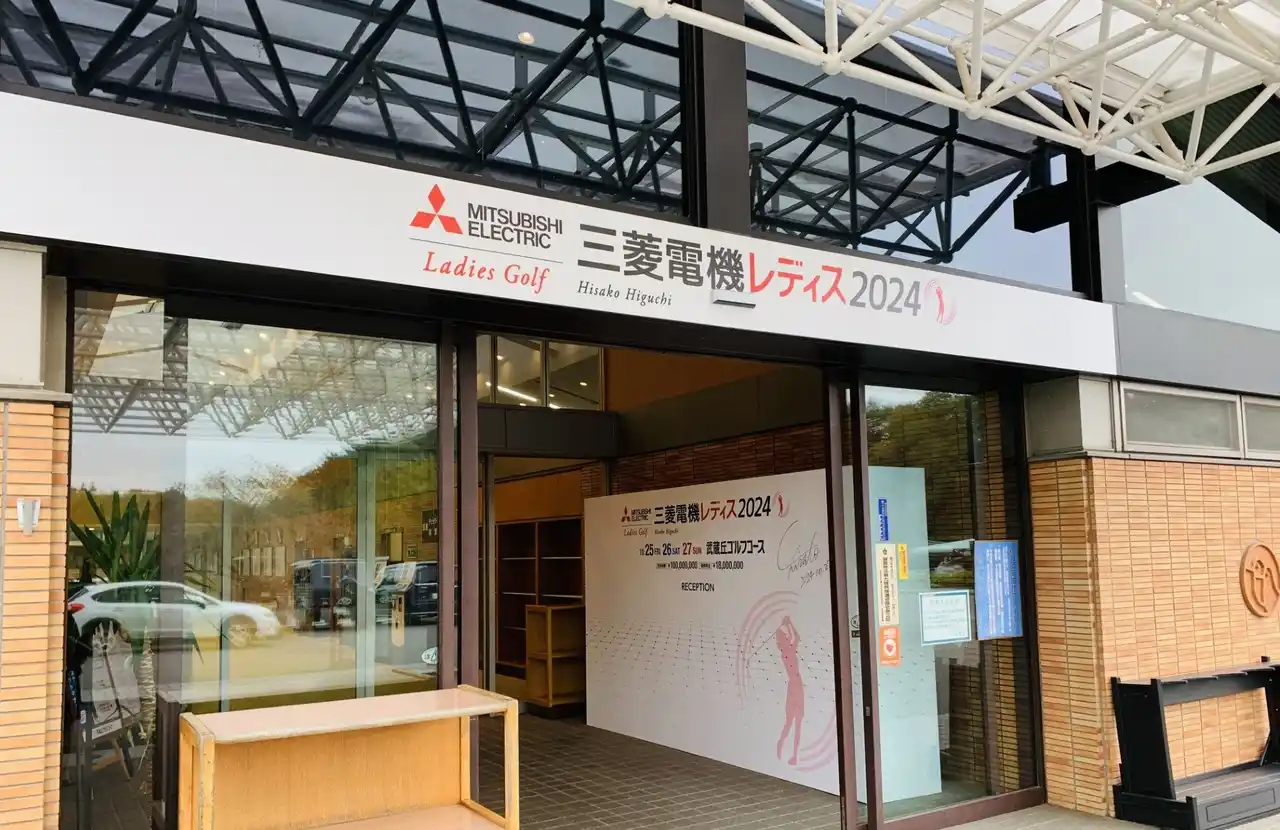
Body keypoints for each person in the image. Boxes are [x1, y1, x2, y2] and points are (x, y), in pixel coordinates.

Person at [775, 615, 804, 765]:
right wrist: (789, 623)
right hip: (796, 686)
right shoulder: (788, 651)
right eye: (785, 637)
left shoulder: (786, 651)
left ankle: (789, 751)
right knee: (795, 721)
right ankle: (790, 752)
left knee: (792, 721)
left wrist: (787, 625)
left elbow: (794, 637)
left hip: (794, 686)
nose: (787, 638)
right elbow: (796, 637)